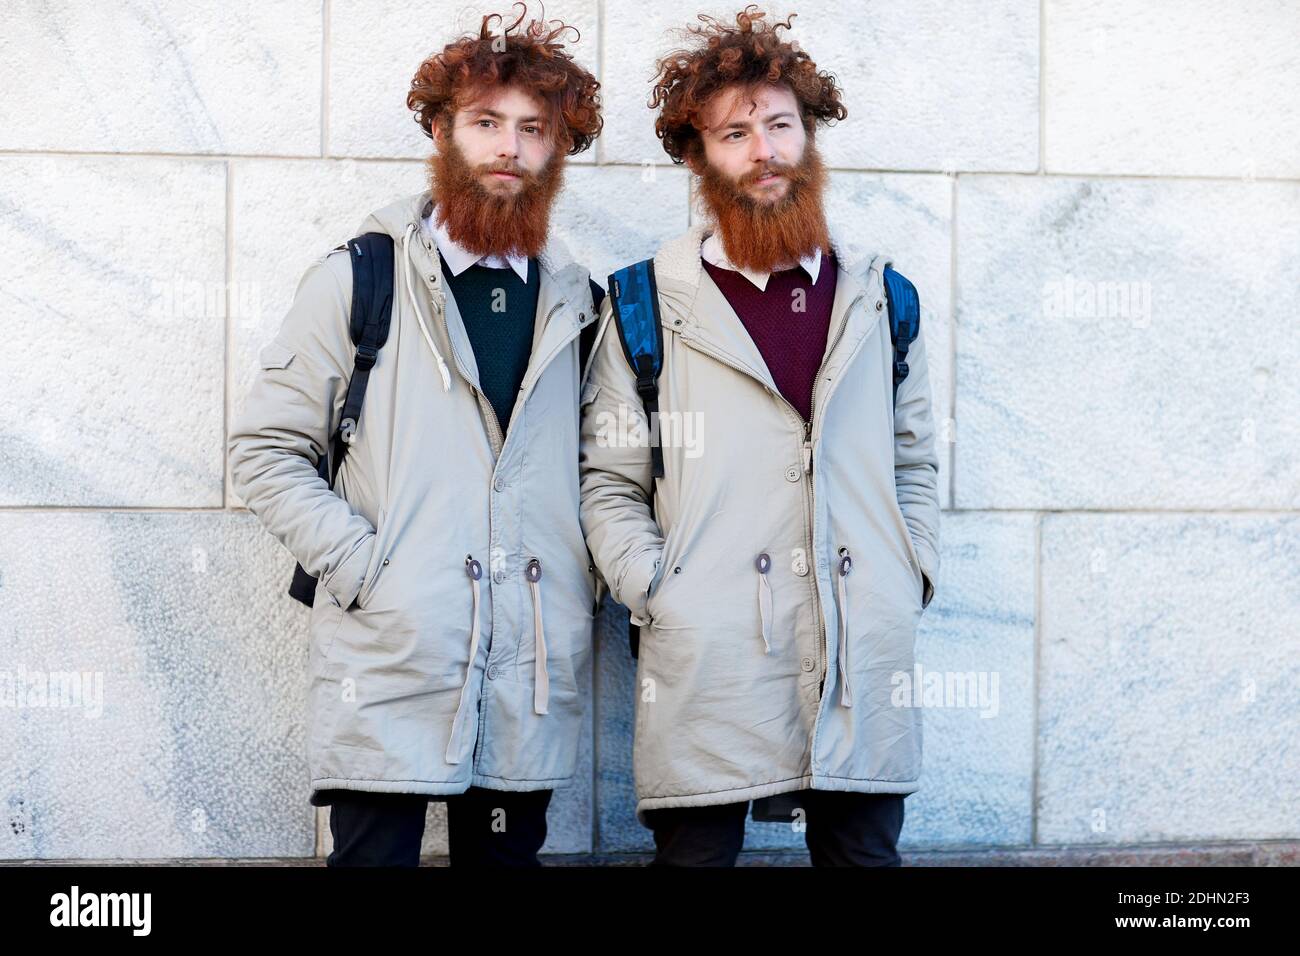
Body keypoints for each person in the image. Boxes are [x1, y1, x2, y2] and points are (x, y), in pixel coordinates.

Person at [228, 6, 604, 866]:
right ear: (441, 130)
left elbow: (601, 471)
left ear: (556, 148)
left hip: (529, 667)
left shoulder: (580, 306)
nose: (508, 147)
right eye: (485, 123)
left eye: (533, 129)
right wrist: (369, 570)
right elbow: (264, 449)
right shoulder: (359, 278)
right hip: (390, 656)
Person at [578, 6, 941, 867]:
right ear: (700, 157)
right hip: (708, 658)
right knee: (695, 859)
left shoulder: (883, 300)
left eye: (780, 124)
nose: (763, 149)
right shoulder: (644, 304)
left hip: (859, 646)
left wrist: (909, 568)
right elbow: (608, 482)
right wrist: (663, 593)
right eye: (734, 133)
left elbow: (915, 459)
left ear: (809, 137)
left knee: (862, 857)